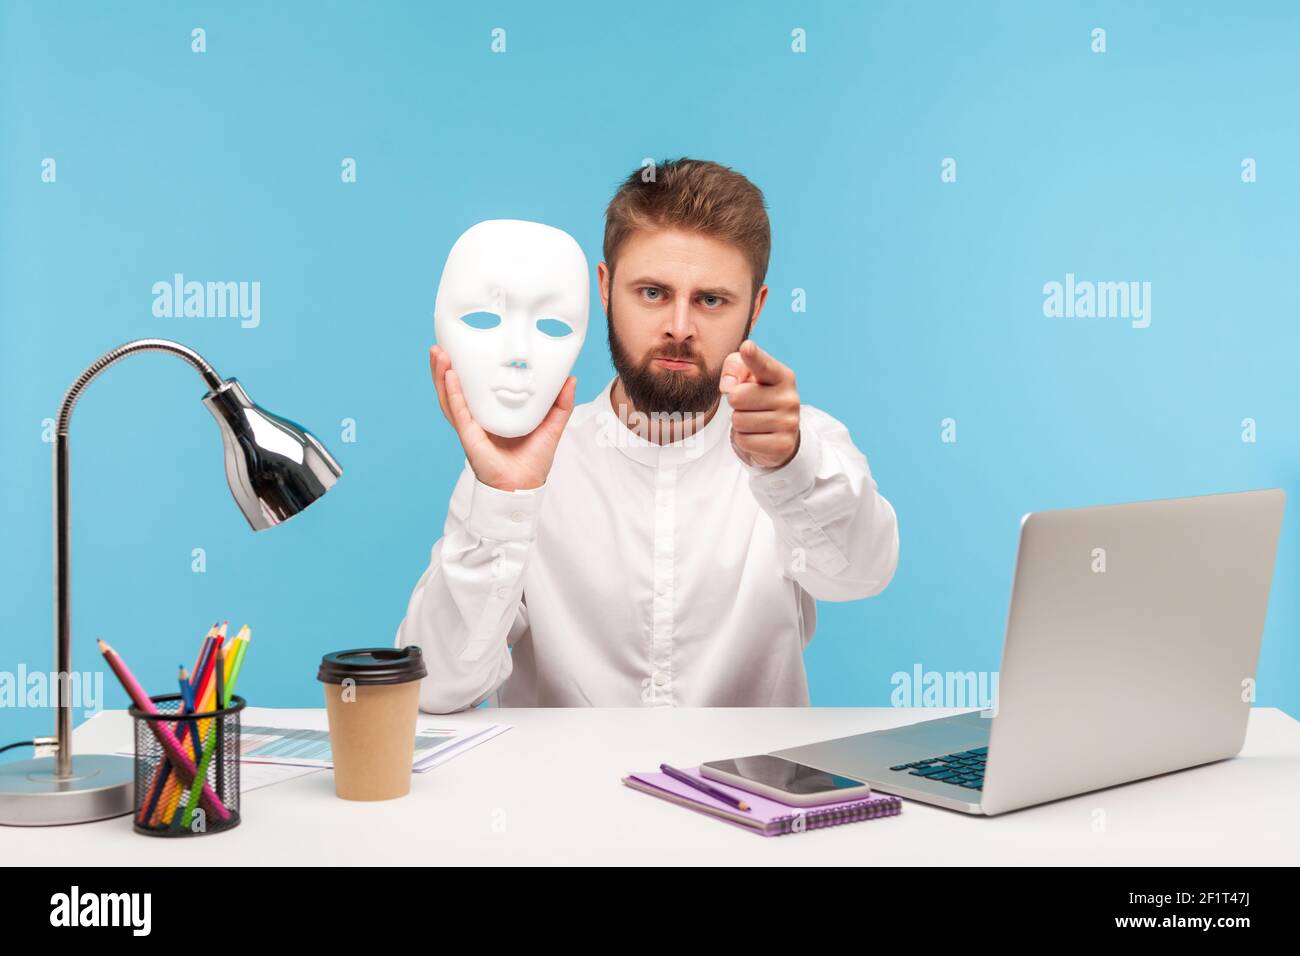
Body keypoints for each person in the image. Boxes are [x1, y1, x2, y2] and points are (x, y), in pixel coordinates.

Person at [397, 158, 899, 710]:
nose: (679, 327)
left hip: (750, 792)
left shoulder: (803, 445)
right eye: (653, 293)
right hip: (563, 795)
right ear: (606, 289)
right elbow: (436, 688)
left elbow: (861, 575)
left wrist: (791, 467)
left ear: (754, 309)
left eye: (711, 300)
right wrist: (502, 499)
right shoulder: (525, 462)